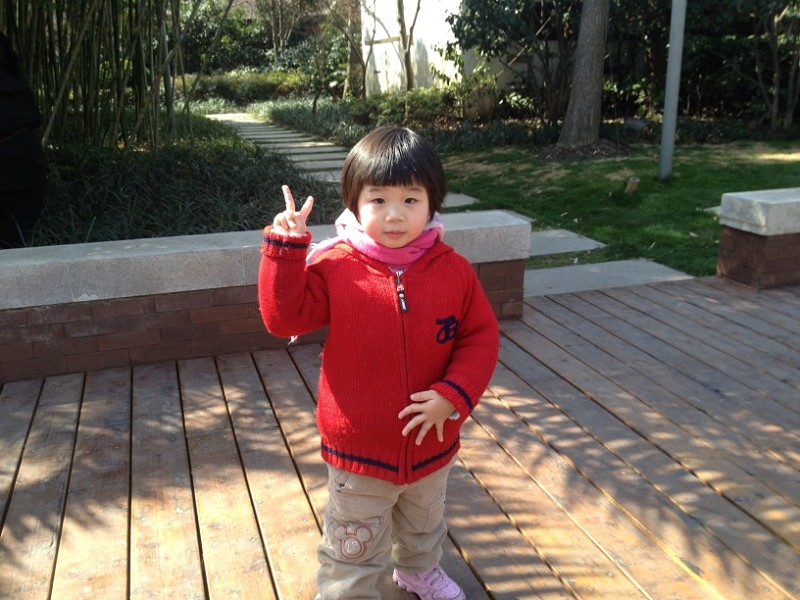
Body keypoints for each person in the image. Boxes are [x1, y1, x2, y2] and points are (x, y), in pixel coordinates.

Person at [258, 126, 499, 599]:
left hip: (432, 440)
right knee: (354, 545)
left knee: (424, 523)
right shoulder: (335, 265)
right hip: (360, 452)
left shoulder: (453, 270)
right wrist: (286, 251)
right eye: (378, 200)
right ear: (355, 204)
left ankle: (418, 571)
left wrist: (453, 396)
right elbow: (283, 317)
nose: (394, 215)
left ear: (433, 203)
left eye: (411, 199)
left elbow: (480, 338)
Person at [0, 32, 46, 249]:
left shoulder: (15, 91)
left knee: (14, 242)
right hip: (24, 164)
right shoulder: (18, 89)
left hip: (20, 168)